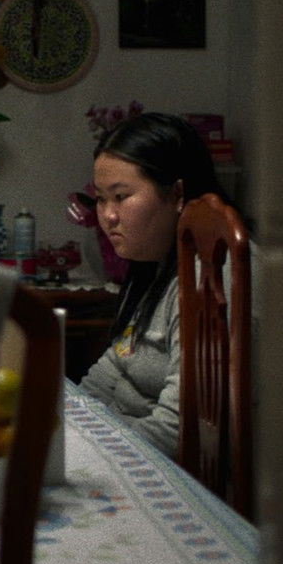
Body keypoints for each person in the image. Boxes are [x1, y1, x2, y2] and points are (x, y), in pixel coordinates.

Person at [78, 112, 232, 457]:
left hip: (159, 464)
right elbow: (111, 370)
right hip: (121, 444)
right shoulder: (157, 263)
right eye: (100, 198)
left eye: (121, 196)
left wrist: (89, 453)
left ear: (177, 194)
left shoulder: (213, 274)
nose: (108, 215)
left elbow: (179, 429)